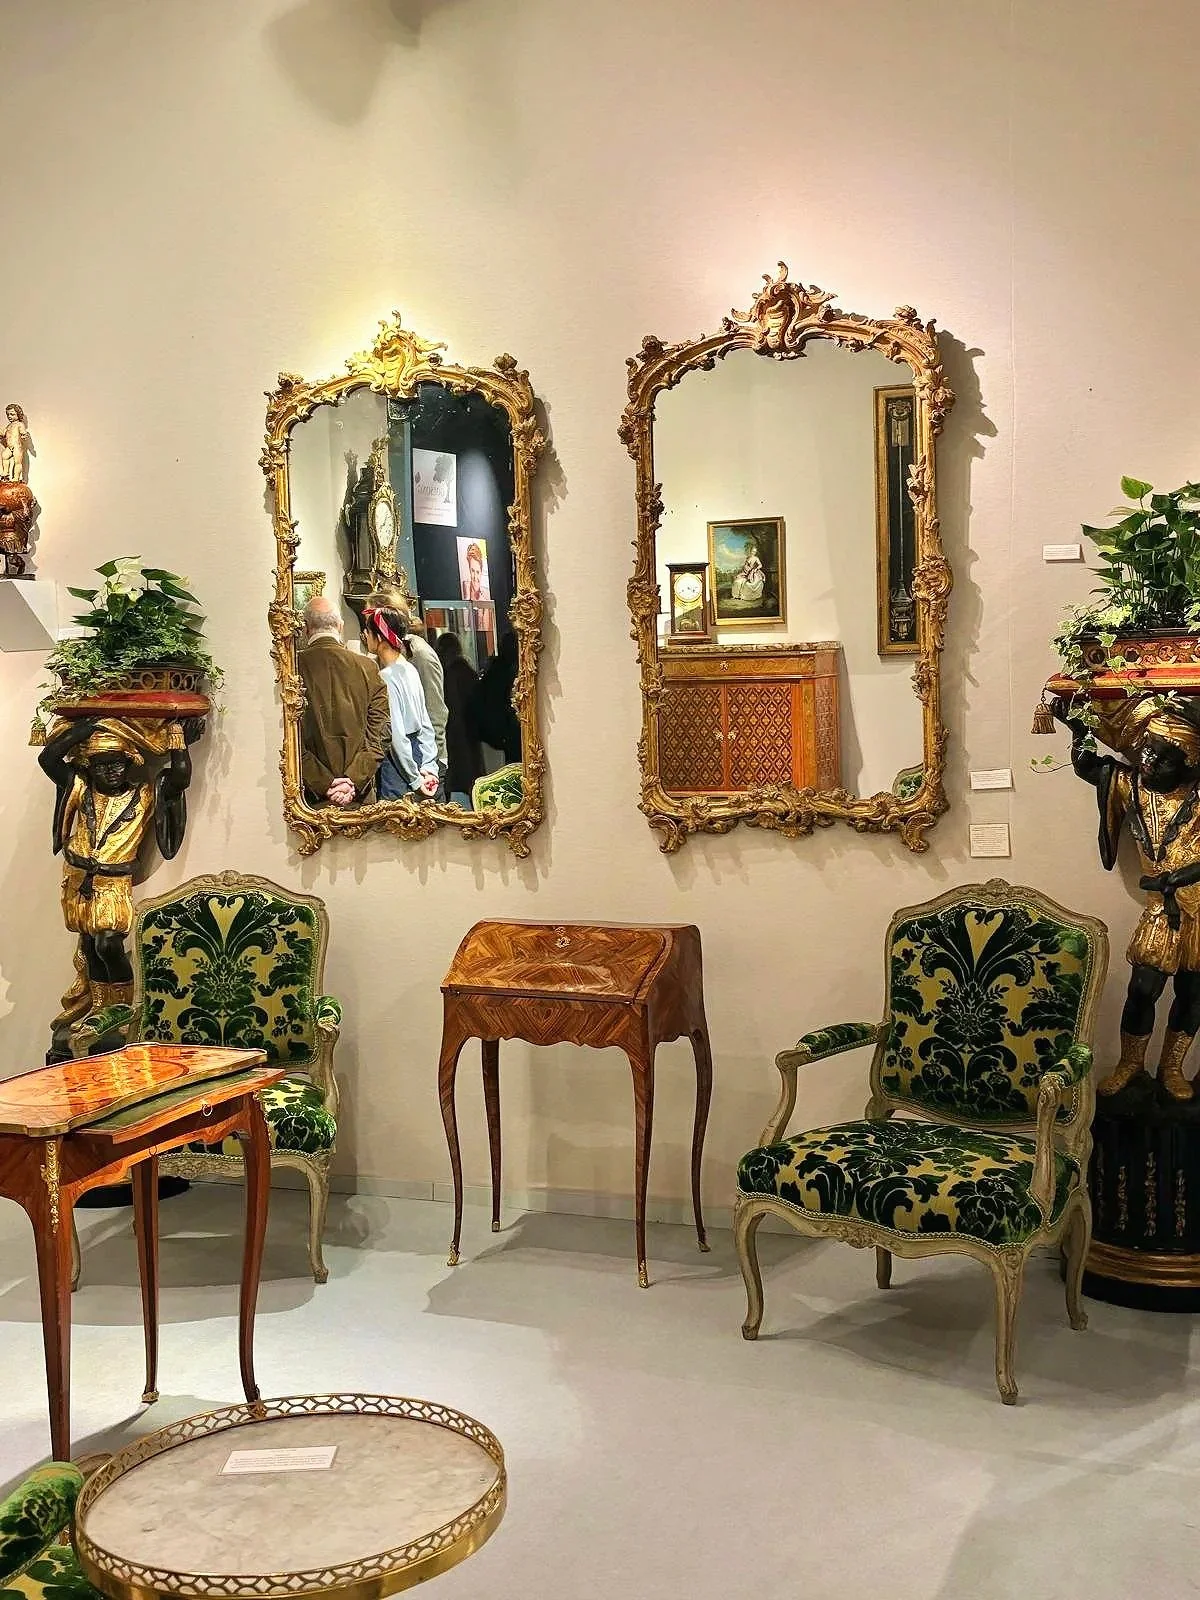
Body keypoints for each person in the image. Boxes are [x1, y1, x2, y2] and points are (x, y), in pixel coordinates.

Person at [1055, 692, 1200, 1100]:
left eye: (1164, 759)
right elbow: (1088, 766)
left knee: (1193, 992)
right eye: (1148, 750)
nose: (1149, 762)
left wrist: (1184, 875)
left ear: (1188, 764)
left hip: (1199, 908)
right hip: (1161, 911)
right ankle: (1130, 1063)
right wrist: (1079, 728)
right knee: (1143, 989)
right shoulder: (1130, 785)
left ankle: (1172, 1068)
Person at [38, 713, 200, 1060]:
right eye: (101, 765)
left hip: (114, 881)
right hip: (78, 879)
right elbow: (48, 758)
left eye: (116, 764)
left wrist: (179, 743)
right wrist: (89, 726)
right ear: (90, 767)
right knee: (89, 945)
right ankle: (99, 1007)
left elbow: (179, 778)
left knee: (108, 942)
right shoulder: (80, 787)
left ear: (129, 764)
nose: (109, 771)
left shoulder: (143, 796)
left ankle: (124, 1008)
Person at [296, 596, 389, 808]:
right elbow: (381, 734)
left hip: (308, 801)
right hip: (359, 799)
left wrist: (325, 783)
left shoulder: (293, 668)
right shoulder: (368, 668)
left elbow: (290, 738)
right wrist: (352, 780)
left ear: (306, 628)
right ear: (340, 626)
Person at [361, 606, 440, 800]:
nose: (365, 635)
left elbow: (396, 734)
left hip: (398, 763)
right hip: (418, 756)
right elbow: (425, 725)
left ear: (379, 637)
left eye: (368, 631)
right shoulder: (409, 669)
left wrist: (414, 779)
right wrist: (429, 766)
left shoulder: (386, 677)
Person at [434, 631, 485, 808]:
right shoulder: (465, 671)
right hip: (468, 731)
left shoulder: (450, 673)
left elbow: (450, 704)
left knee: (456, 775)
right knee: (471, 777)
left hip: (455, 731)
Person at [401, 611, 450, 787]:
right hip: (416, 755)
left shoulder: (420, 655)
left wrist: (434, 761)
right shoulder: (411, 656)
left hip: (425, 758)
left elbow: (435, 710)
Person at [471, 630, 522, 764]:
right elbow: (495, 702)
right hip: (505, 728)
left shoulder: (498, 669)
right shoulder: (499, 671)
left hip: (505, 727)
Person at [2, 403, 31, 483]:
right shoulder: (9, 426)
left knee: (17, 462)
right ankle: (6, 473)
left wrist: (24, 435)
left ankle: (16, 477)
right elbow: (4, 433)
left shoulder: (19, 424)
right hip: (9, 447)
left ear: (18, 414)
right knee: (4, 456)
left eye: (12, 414)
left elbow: (23, 432)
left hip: (17, 446)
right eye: (8, 414)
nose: (9, 416)